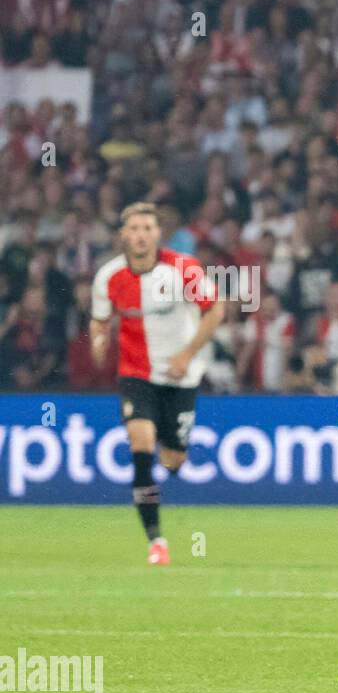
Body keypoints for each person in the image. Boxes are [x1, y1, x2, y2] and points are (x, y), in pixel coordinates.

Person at [90, 203, 223, 564]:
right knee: (141, 443)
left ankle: (172, 454)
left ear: (157, 234)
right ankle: (156, 541)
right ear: (123, 235)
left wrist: (187, 354)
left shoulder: (183, 268)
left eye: (148, 228)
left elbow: (216, 308)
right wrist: (98, 341)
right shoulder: (108, 278)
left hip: (182, 377)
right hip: (137, 375)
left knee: (174, 460)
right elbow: (100, 320)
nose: (141, 235)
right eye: (134, 228)